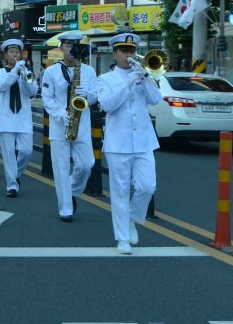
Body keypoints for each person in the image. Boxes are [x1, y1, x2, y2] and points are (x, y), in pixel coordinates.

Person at [96, 33, 162, 254]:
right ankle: (122, 237)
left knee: (147, 186)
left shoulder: (143, 75)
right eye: (124, 51)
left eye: (131, 51)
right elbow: (107, 105)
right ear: (114, 54)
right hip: (118, 144)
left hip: (144, 142)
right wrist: (128, 83)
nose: (129, 55)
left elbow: (156, 99)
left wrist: (144, 77)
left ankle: (132, 218)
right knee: (120, 191)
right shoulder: (105, 79)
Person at [40, 32, 97, 222]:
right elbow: (47, 98)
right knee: (61, 169)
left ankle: (72, 191)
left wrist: (87, 94)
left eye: (75, 46)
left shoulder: (88, 70)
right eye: (67, 46)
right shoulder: (51, 71)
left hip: (81, 124)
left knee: (87, 164)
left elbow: (96, 96)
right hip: (59, 125)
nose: (71, 50)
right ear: (61, 48)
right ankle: (66, 209)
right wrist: (59, 113)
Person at [0, 38, 37, 198]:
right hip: (5, 119)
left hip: (23, 118)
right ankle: (11, 185)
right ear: (5, 56)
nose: (15, 55)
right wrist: (15, 72)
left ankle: (15, 175)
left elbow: (32, 92)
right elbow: (2, 86)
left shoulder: (26, 71)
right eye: (11, 52)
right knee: (9, 153)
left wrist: (25, 76)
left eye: (17, 52)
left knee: (26, 151)